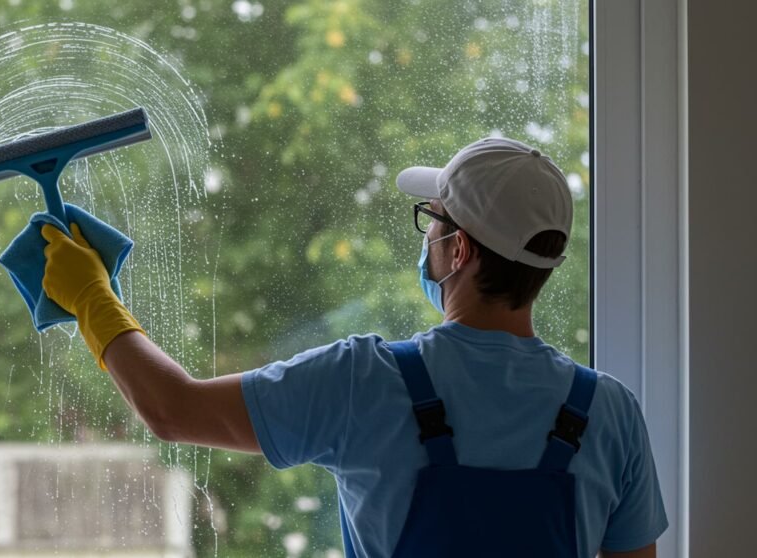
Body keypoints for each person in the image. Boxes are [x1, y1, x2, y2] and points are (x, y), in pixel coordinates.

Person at [40, 137, 668, 557]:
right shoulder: (609, 412)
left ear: (459, 250)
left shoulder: (365, 382)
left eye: (432, 221)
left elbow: (173, 409)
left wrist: (93, 297)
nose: (427, 238)